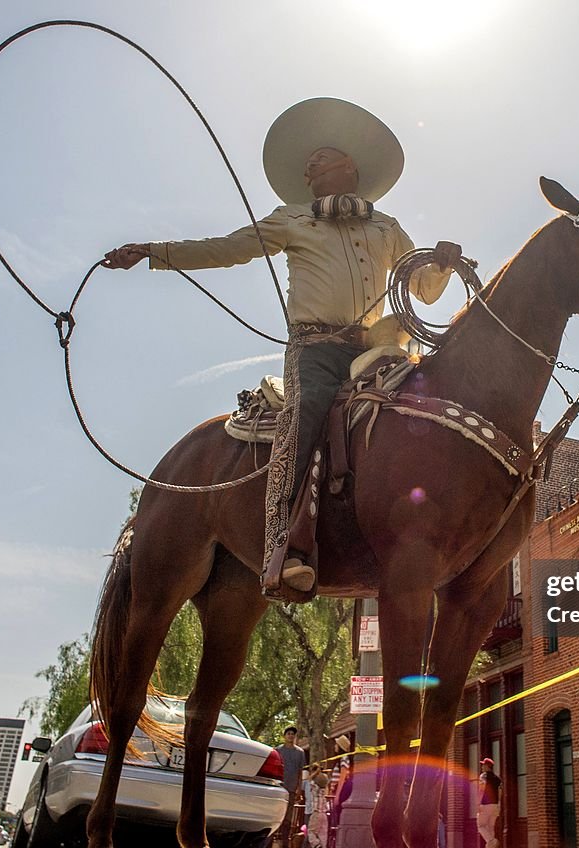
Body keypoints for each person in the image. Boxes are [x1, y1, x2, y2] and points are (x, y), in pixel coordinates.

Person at [103, 97, 462, 597]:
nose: (310, 168)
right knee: (308, 411)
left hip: (374, 350)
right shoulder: (293, 219)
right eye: (309, 164)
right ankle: (285, 547)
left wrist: (441, 262)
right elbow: (225, 248)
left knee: (419, 407)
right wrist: (154, 253)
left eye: (321, 159)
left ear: (348, 168)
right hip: (314, 350)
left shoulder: (386, 228)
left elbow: (422, 289)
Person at [271, 725, 307, 848]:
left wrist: (299, 788)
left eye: (293, 734)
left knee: (288, 820)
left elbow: (300, 772)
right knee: (275, 817)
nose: (291, 736)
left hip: (291, 790)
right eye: (288, 733)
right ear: (284, 736)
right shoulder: (278, 750)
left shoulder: (300, 753)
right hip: (279, 788)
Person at [477, 758, 501, 848]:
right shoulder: (497, 778)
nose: (482, 767)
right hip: (495, 805)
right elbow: (500, 792)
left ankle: (492, 841)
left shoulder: (483, 776)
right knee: (490, 827)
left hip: (485, 804)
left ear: (487, 766)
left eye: (483, 765)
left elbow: (481, 790)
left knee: (481, 826)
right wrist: (499, 804)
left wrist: (478, 803)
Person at [305, 765, 330, 848]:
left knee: (311, 831)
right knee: (323, 833)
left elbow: (309, 781)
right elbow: (326, 781)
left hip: (316, 812)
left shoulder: (315, 788)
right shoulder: (324, 790)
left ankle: (316, 844)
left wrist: (315, 773)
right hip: (324, 813)